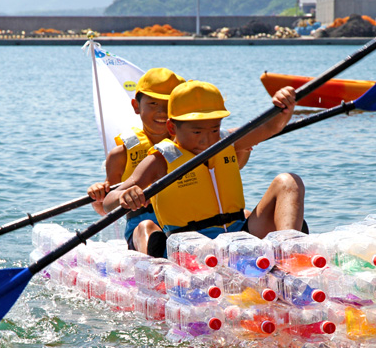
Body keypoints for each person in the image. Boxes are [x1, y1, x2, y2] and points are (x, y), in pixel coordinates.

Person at [102, 80, 305, 253]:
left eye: (214, 129)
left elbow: (271, 126)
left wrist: (285, 106)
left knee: (288, 181)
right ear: (172, 127)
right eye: (197, 132)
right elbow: (108, 201)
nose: (206, 140)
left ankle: (289, 253)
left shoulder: (227, 140)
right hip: (191, 248)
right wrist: (124, 197)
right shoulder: (160, 160)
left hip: (240, 233)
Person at [87, 68, 185, 255]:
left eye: (169, 104)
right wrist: (99, 194)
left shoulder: (193, 148)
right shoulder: (120, 154)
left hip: (183, 225)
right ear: (136, 106)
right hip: (142, 229)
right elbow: (106, 208)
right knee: (146, 226)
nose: (162, 112)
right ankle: (155, 268)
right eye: (153, 103)